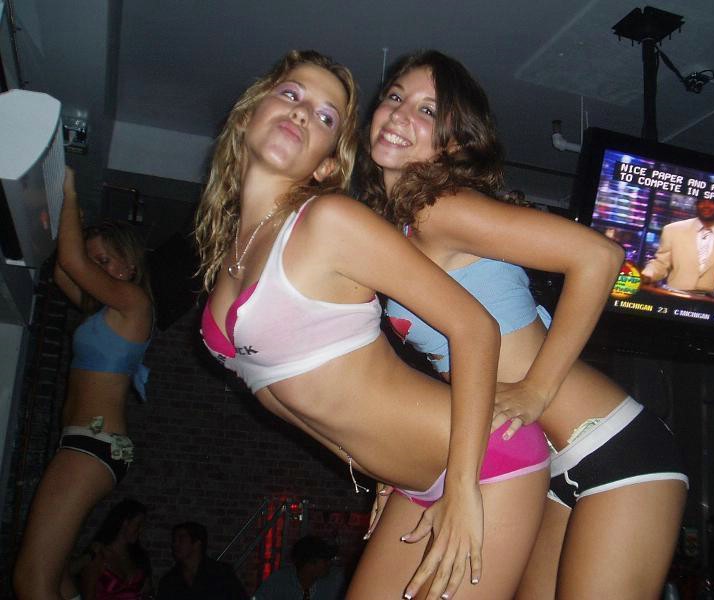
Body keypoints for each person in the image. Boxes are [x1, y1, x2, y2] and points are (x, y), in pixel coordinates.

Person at [195, 49, 550, 600]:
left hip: (483, 463)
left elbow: (475, 327)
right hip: (411, 477)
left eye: (325, 116)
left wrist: (461, 489)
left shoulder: (329, 221)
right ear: (247, 117)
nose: (302, 111)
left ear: (327, 165)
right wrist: (379, 469)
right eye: (290, 94)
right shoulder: (230, 258)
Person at [361, 50, 689, 599]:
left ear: (454, 143)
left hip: (612, 450)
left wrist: (537, 389)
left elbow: (599, 257)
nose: (399, 114)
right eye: (395, 97)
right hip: (538, 464)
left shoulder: (440, 209)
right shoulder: (399, 228)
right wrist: (398, 461)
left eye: (427, 110)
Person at [14, 170, 153, 600]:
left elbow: (73, 264)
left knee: (29, 582)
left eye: (104, 261)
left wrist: (70, 190)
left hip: (93, 444)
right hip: (89, 444)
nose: (94, 269)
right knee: (54, 577)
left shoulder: (135, 304)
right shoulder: (104, 313)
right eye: (93, 261)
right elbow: (64, 270)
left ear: (130, 265)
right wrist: (62, 214)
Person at [641, 196, 714, 292]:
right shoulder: (672, 230)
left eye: (712, 202)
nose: (706, 205)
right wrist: (646, 276)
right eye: (702, 201)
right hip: (675, 298)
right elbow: (661, 264)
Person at [78, 498, 153, 600]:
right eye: (138, 524)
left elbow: (147, 593)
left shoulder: (139, 557)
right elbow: (88, 596)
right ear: (125, 523)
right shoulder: (98, 555)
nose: (141, 530)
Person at [156, 521, 247, 600]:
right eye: (174, 540)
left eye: (181, 539)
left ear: (197, 543)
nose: (175, 544)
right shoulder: (169, 581)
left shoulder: (221, 574)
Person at [252, 535, 345, 600]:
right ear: (309, 564)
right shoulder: (279, 581)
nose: (329, 563)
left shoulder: (334, 580)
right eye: (325, 561)